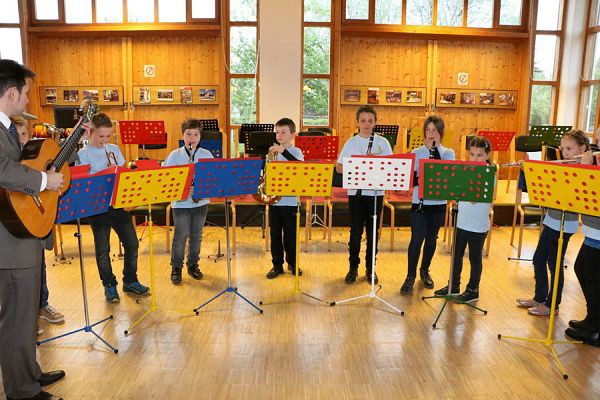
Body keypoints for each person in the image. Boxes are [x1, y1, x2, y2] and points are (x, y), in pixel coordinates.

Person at [0, 59, 65, 400]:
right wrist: (44, 180)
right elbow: (2, 170)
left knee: (27, 317)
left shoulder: (7, 129)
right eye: (26, 93)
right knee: (16, 321)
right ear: (11, 93)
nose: (27, 100)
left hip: (21, 235)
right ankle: (22, 391)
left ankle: (30, 373)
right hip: (8, 243)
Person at [77, 113, 149, 302]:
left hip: (117, 205)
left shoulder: (114, 149)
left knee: (132, 244)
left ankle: (130, 281)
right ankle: (109, 285)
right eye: (101, 136)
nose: (105, 140)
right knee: (103, 250)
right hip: (97, 207)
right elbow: (83, 182)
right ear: (91, 133)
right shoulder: (83, 154)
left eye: (108, 136)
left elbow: (124, 174)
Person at [516, 130, 589, 316]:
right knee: (538, 259)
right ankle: (540, 297)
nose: (565, 153)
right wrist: (530, 171)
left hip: (565, 223)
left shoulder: (585, 171)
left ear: (583, 149)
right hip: (552, 219)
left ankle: (552, 305)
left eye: (570, 149)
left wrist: (583, 167)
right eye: (563, 149)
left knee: (555, 265)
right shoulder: (563, 166)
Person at [11, 117, 66, 328]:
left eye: (24, 134)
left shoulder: (36, 156)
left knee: (39, 264)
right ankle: (23, 319)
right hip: (14, 222)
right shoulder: (8, 161)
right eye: (17, 136)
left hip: (36, 218)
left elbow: (59, 161)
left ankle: (42, 305)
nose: (22, 140)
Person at [336, 105, 392, 284]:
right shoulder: (351, 143)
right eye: (363, 121)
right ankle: (353, 268)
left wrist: (377, 162)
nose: (367, 124)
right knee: (355, 234)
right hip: (356, 194)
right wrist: (359, 164)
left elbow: (391, 166)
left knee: (373, 233)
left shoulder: (383, 142)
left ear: (375, 122)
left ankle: (370, 268)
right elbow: (339, 168)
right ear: (357, 122)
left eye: (370, 121)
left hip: (376, 194)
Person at [433, 136, 493, 303]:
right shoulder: (464, 170)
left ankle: (473, 289)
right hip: (462, 221)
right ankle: (454, 285)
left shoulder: (489, 173)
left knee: (474, 258)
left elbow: (477, 199)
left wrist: (466, 187)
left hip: (478, 224)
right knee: (456, 255)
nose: (475, 159)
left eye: (479, 155)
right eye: (472, 155)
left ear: (487, 155)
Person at [400, 115, 455, 294]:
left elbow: (446, 177)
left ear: (441, 133)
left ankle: (424, 270)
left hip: (438, 203)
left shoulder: (448, 153)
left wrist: (434, 154)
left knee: (431, 239)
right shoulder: (416, 152)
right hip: (419, 202)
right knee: (416, 240)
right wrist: (424, 177)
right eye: (428, 130)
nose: (431, 133)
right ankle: (410, 275)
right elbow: (411, 179)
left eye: (435, 130)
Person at [162, 118, 213, 284]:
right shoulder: (174, 155)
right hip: (181, 203)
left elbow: (212, 178)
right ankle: (176, 268)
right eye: (188, 134)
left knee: (197, 235)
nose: (192, 138)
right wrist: (184, 189)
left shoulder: (206, 155)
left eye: (196, 134)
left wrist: (198, 189)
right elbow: (167, 180)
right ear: (182, 135)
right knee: (181, 235)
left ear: (200, 136)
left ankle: (193, 265)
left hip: (201, 202)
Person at [565, 148, 599, 346]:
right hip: (593, 228)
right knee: (581, 269)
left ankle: (594, 326)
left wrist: (586, 168)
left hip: (598, 230)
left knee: (593, 279)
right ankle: (592, 317)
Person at [265, 118, 304, 279]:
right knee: (275, 236)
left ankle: (293, 263)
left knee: (291, 236)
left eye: (283, 132)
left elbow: (300, 167)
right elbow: (267, 172)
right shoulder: (272, 152)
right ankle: (277, 265)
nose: (279, 135)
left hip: (291, 202)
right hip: (275, 202)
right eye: (277, 132)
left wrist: (283, 152)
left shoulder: (297, 151)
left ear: (293, 134)